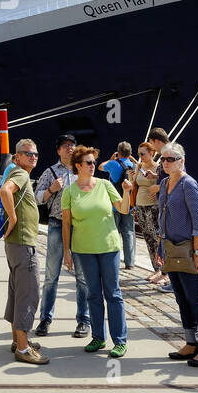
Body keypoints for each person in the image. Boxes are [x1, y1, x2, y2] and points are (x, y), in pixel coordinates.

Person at [151, 142, 198, 366]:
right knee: (181, 298)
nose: (166, 163)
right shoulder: (164, 183)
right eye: (163, 159)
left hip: (189, 249)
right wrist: (160, 247)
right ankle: (191, 343)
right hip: (171, 247)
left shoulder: (189, 185)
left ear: (182, 161)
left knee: (196, 298)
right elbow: (162, 217)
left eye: (172, 159)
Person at [62, 144, 131, 357]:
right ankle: (98, 338)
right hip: (83, 249)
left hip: (108, 247)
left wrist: (128, 191)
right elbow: (66, 224)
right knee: (92, 294)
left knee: (113, 293)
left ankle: (119, 341)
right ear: (78, 166)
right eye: (89, 163)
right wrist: (67, 251)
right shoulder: (69, 191)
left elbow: (123, 209)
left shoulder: (105, 185)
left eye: (94, 162)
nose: (93, 166)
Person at [34, 133, 91, 339]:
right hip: (57, 225)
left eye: (72, 145)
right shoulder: (50, 172)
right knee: (51, 275)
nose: (69, 148)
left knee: (83, 277)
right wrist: (51, 189)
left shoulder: (82, 171)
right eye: (65, 145)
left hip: (80, 226)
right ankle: (45, 319)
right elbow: (36, 197)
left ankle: (84, 321)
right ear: (58, 151)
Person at [0, 138, 47, 364]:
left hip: (16, 245)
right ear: (17, 157)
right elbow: (5, 191)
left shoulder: (19, 173)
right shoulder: (21, 174)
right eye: (28, 153)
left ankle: (18, 340)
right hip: (23, 244)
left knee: (17, 292)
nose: (33, 157)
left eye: (35, 154)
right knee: (28, 294)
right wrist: (13, 218)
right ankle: (23, 348)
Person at [132, 141, 166, 285]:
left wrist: (156, 189)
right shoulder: (139, 166)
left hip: (153, 206)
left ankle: (163, 270)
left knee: (156, 237)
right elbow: (135, 183)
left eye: (143, 154)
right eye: (138, 154)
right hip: (140, 205)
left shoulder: (158, 168)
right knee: (147, 238)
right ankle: (156, 268)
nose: (140, 156)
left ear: (151, 153)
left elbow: (163, 185)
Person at [99, 141, 137, 270]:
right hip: (129, 205)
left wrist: (111, 158)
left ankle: (112, 259)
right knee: (129, 233)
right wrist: (131, 158)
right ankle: (130, 262)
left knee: (113, 232)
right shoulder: (133, 166)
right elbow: (140, 167)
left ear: (118, 152)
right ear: (130, 153)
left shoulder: (113, 164)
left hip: (115, 204)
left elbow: (100, 167)